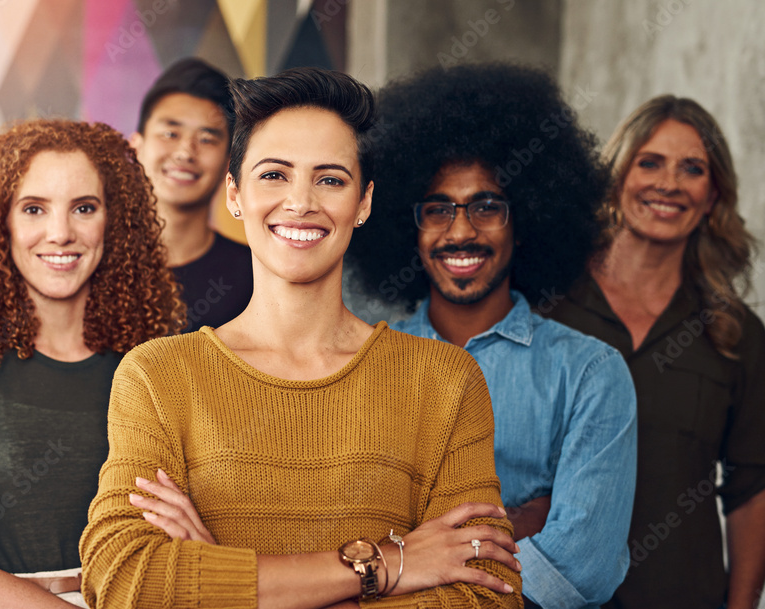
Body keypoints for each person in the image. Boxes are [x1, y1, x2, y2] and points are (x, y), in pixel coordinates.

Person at [80, 67, 522, 609]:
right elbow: (124, 578)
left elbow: (486, 596)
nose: (300, 202)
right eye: (274, 175)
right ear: (235, 193)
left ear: (362, 203)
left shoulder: (444, 380)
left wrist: (223, 580)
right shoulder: (158, 376)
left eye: (330, 179)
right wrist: (382, 566)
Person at [348, 63, 638, 609]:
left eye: (487, 206)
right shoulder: (365, 362)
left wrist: (412, 557)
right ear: (405, 227)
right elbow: (335, 534)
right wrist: (522, 517)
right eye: (438, 209)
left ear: (525, 221)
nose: (460, 230)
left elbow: (584, 565)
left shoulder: (590, 374)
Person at [0, 119, 184, 608]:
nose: (60, 233)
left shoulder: (158, 359)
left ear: (116, 220)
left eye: (84, 208)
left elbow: (190, 537)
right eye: (34, 209)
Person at [544, 95, 765, 609]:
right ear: (618, 176)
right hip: (552, 597)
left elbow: (751, 489)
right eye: (650, 163)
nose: (669, 183)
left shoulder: (734, 332)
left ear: (712, 197)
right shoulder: (547, 300)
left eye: (692, 169)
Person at [130, 57, 253, 331]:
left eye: (207, 139)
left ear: (228, 162)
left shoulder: (255, 277)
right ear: (135, 147)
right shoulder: (91, 261)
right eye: (170, 133)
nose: (185, 152)